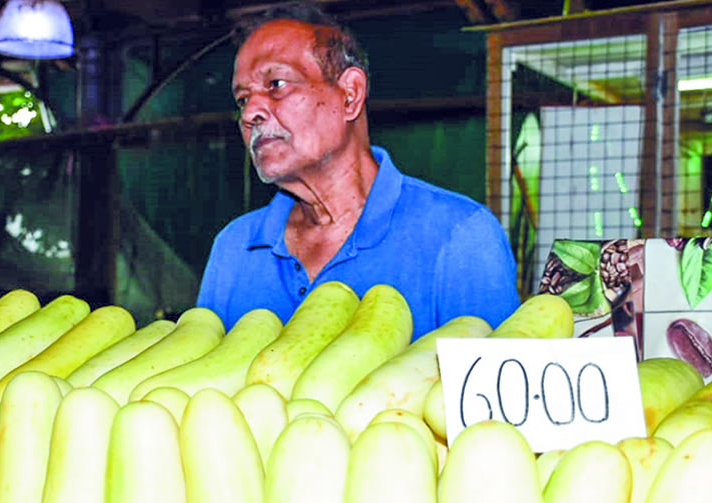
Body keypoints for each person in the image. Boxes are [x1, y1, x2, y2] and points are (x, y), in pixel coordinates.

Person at [196, 3, 521, 340]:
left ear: (350, 95)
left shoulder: (460, 237)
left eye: (276, 84)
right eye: (242, 99)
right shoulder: (233, 249)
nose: (251, 113)